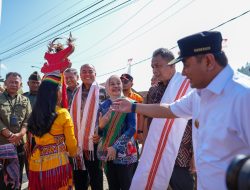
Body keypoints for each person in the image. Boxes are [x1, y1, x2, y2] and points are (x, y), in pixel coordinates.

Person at [112, 31, 250, 190]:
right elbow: (170, 110)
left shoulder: (243, 96)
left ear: (208, 61)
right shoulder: (199, 95)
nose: (183, 72)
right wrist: (133, 106)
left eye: (187, 65)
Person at [131, 48, 194, 190]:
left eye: (158, 65)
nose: (154, 70)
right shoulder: (153, 90)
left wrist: (195, 156)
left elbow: (198, 123)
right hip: (155, 152)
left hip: (181, 154)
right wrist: (146, 146)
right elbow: (148, 120)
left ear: (172, 64)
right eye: (152, 67)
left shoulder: (188, 86)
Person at [28, 74, 77, 190]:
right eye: (60, 89)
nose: (61, 92)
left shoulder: (34, 114)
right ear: (55, 93)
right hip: (57, 163)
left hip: (36, 161)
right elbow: (71, 143)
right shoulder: (63, 113)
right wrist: (74, 153)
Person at [70, 64, 107, 190]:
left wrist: (101, 133)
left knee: (96, 176)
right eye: (84, 72)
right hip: (77, 141)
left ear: (95, 74)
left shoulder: (103, 90)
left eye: (90, 71)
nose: (87, 74)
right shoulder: (76, 91)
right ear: (80, 76)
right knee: (79, 176)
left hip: (95, 140)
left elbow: (110, 115)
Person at [98, 75, 137, 190]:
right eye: (112, 84)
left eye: (118, 83)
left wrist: (115, 147)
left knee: (126, 185)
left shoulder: (130, 103)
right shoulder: (102, 105)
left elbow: (132, 128)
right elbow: (98, 130)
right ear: (107, 87)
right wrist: (100, 126)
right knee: (112, 185)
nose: (116, 86)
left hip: (125, 152)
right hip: (106, 151)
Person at [0, 72, 32, 190]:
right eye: (11, 82)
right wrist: (7, 133)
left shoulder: (25, 100)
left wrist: (21, 134)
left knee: (17, 175)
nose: (13, 84)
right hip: (2, 144)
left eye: (16, 82)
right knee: (3, 178)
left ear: (21, 84)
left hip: (20, 144)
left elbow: (28, 118)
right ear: (5, 83)